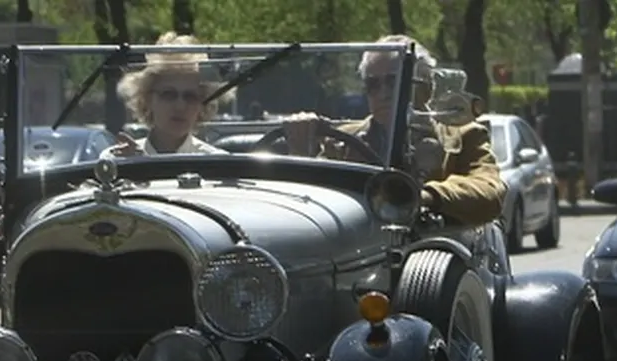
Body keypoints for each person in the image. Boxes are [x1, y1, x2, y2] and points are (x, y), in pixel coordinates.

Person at [282, 35, 506, 227]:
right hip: (361, 255)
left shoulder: (463, 134)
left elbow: (489, 191)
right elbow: (312, 204)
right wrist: (301, 152)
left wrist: (423, 196)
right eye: (373, 84)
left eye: (394, 81)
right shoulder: (344, 140)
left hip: (433, 253)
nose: (383, 93)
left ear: (427, 87)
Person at [104, 32, 228, 157]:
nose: (180, 106)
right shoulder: (117, 159)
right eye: (169, 95)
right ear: (147, 98)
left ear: (202, 105)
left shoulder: (217, 163)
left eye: (190, 97)